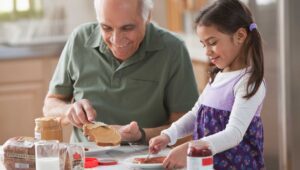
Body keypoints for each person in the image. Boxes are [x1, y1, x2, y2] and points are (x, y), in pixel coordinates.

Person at [42, 0, 198, 144]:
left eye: (128, 28)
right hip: (84, 162)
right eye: (106, 28)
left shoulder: (173, 49)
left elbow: (189, 131)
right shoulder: (79, 40)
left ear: (147, 17)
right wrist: (68, 110)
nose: (116, 40)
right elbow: (50, 105)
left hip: (145, 161)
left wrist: (141, 135)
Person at [149, 0, 266, 169]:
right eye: (204, 45)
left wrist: (193, 147)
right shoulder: (217, 76)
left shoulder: (248, 82)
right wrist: (168, 135)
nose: (207, 51)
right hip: (206, 164)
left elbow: (234, 134)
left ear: (240, 36)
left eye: (212, 42)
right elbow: (196, 114)